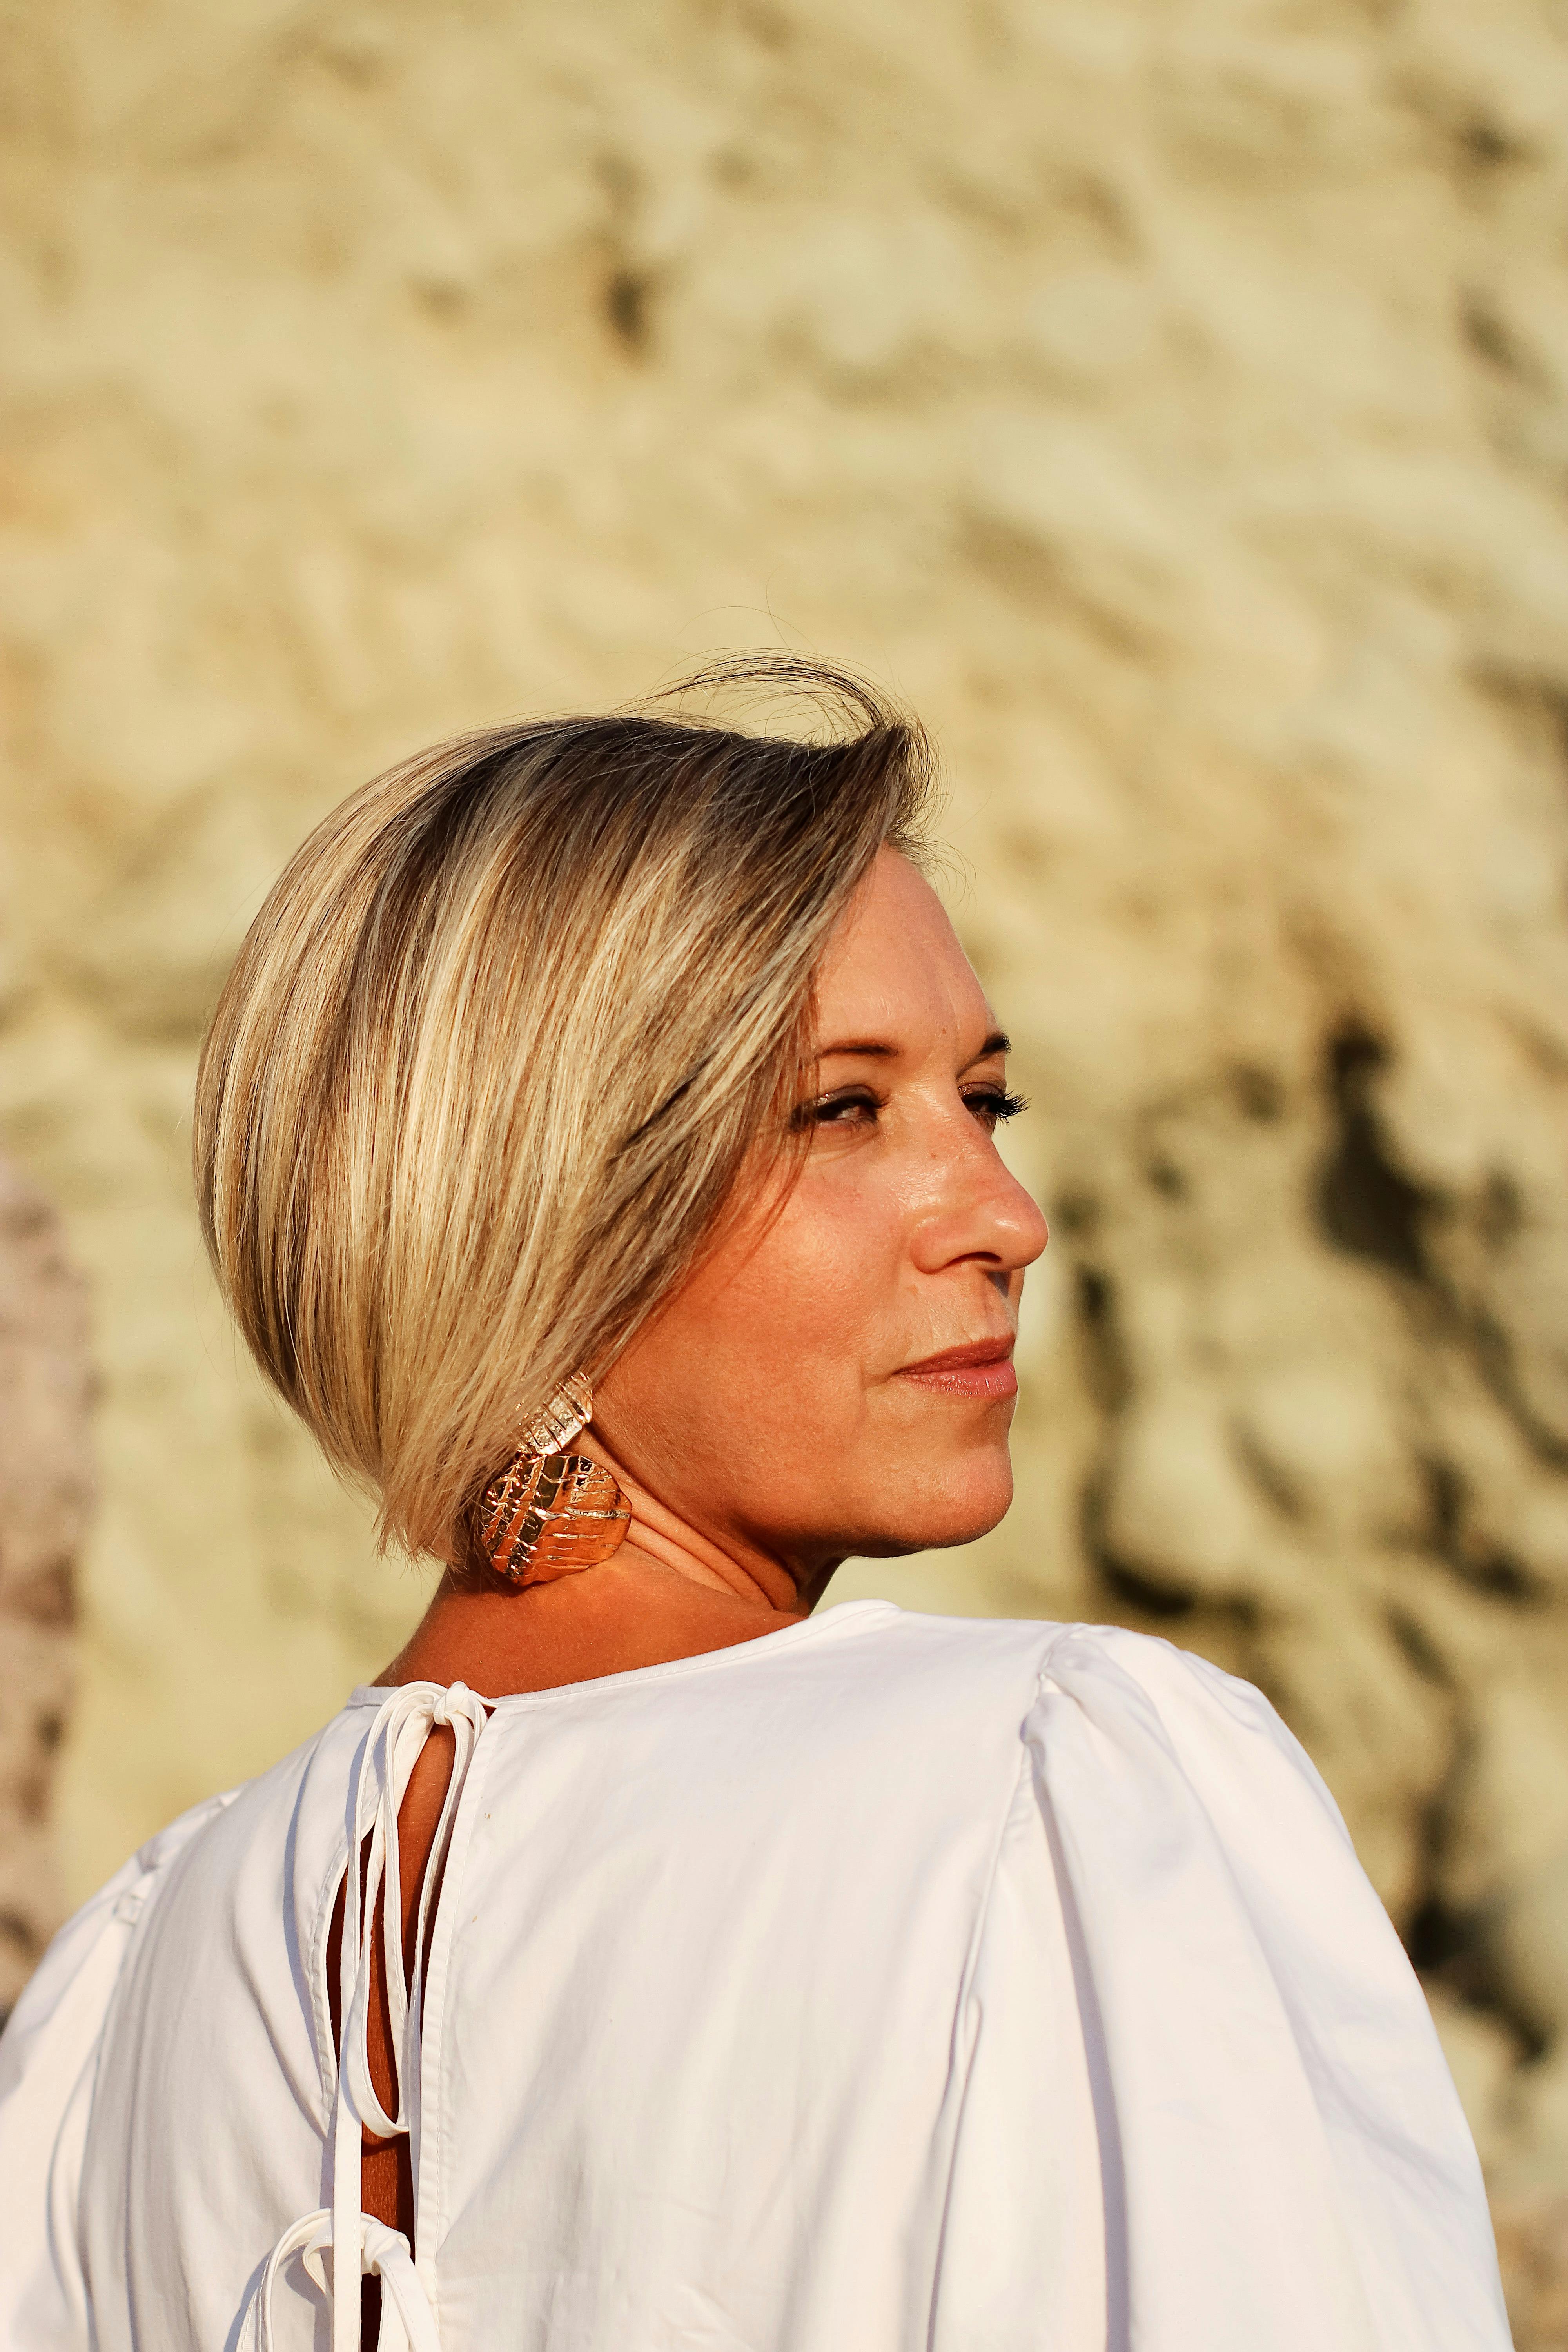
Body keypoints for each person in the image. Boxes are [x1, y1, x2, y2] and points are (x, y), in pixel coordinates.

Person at [0, 661, 1509, 2351]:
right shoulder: (1049, 1798)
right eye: (843, 1110)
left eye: (984, 1100)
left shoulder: (119, 2007)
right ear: (542, 1224)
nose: (1002, 1213)